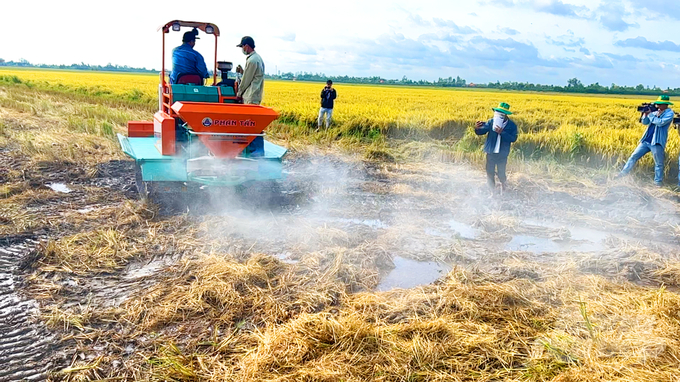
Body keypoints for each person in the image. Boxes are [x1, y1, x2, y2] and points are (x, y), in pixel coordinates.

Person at [618, 95, 674, 186]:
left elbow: (660, 123)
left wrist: (651, 114)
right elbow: (645, 122)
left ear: (666, 105)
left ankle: (657, 182)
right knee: (633, 156)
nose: (658, 106)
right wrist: (646, 114)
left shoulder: (669, 113)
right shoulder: (655, 112)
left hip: (657, 142)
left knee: (658, 163)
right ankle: (623, 173)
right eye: (657, 104)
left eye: (660, 104)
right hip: (646, 140)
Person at [474, 102, 519, 194]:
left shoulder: (512, 125)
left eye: (501, 113)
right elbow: (481, 132)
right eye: (497, 112)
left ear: (505, 115)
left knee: (501, 173)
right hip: (491, 151)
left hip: (502, 153)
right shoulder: (491, 122)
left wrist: (501, 132)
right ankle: (492, 191)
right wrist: (477, 128)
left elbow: (513, 138)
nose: (498, 115)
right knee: (489, 171)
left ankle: (504, 188)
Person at [236, 36, 264, 105]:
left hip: (250, 97)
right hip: (256, 96)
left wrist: (239, 93)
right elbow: (254, 75)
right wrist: (242, 72)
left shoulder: (252, 60)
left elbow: (246, 80)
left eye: (242, 47)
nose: (242, 49)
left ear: (246, 46)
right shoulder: (258, 58)